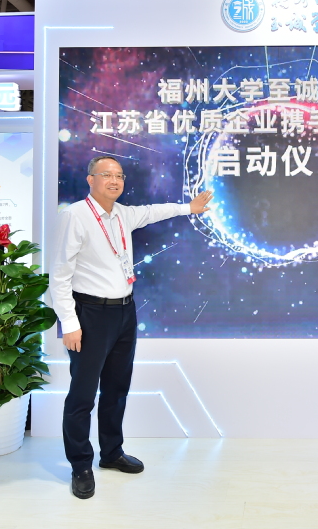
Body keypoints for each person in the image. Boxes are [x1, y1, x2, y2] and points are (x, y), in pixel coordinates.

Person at [50, 155, 213, 500]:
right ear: (90, 179)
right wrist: (69, 323)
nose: (114, 180)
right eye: (106, 175)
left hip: (125, 312)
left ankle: (111, 452)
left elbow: (154, 211)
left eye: (119, 176)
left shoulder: (123, 214)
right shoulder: (75, 216)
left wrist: (189, 208)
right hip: (89, 314)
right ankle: (80, 465)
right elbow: (60, 275)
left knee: (116, 389)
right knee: (82, 395)